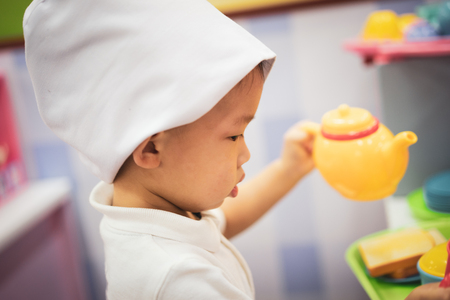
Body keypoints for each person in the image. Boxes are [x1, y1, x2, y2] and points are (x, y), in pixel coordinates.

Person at [23, 0, 450, 299]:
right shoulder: (179, 281)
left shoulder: (152, 215)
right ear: (150, 147)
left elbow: (221, 224)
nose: (245, 154)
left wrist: (288, 168)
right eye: (234, 136)